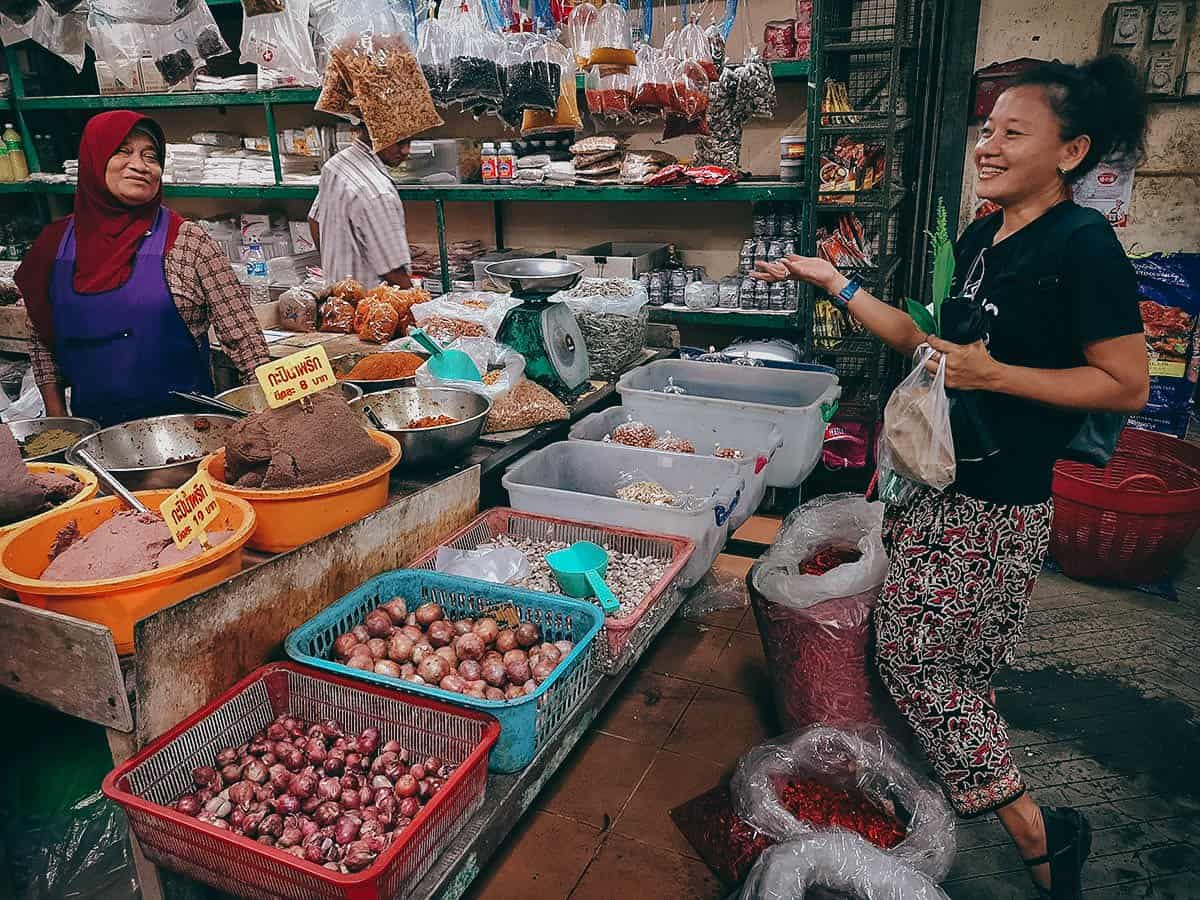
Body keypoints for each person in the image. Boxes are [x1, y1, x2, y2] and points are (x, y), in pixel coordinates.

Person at [755, 56, 1149, 899]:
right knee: (945, 665)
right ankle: (933, 793)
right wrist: (837, 285)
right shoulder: (983, 236)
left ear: (1071, 151)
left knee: (920, 663)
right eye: (987, 129)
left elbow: (1125, 383)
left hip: (997, 505)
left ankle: (1040, 837)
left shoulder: (1084, 246)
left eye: (1014, 132)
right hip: (939, 485)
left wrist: (996, 376)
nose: (989, 146)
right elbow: (929, 346)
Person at [15, 111, 270, 428]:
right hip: (95, 442)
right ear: (94, 159)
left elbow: (247, 342)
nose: (140, 165)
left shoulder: (189, 243)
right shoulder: (53, 246)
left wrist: (268, 418)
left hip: (191, 436)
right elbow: (41, 339)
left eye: (151, 156)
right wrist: (59, 422)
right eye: (122, 151)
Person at [307, 128, 414, 289]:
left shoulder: (336, 164)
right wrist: (419, 307)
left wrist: (335, 270)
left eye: (410, 141)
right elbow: (394, 272)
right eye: (399, 142)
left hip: (336, 298)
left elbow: (314, 221)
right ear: (375, 131)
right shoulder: (377, 191)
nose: (406, 150)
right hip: (369, 306)